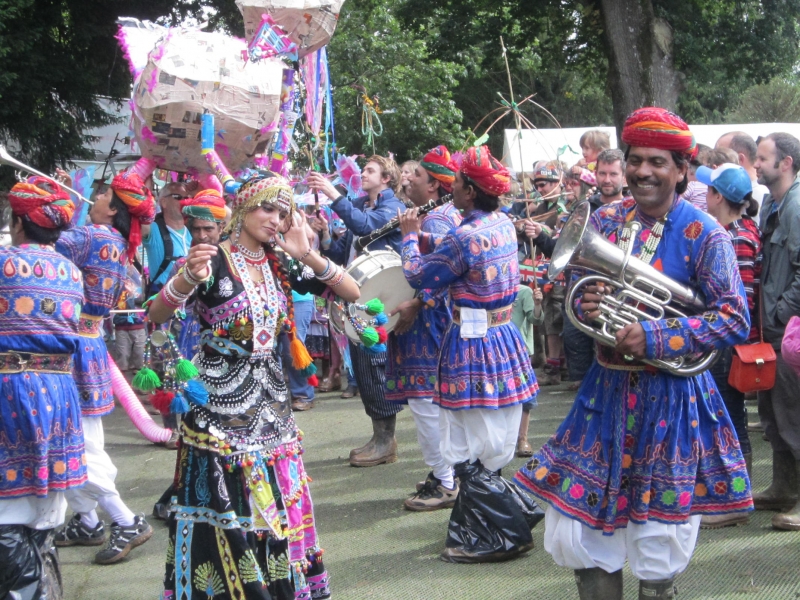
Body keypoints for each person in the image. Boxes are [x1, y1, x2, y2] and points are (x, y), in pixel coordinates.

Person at [515, 107, 752, 599]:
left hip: (670, 398)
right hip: (604, 393)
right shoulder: (603, 217)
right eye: (635, 160)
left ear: (682, 170)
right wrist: (588, 300)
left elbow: (734, 318)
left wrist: (658, 336)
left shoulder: (706, 233)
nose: (643, 171)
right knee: (582, 530)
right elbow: (581, 292)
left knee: (657, 538)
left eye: (658, 162)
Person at [147, 173, 360, 600]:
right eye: (267, 209)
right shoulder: (215, 259)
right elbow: (155, 314)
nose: (276, 220)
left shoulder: (281, 261)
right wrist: (189, 277)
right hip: (218, 411)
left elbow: (352, 292)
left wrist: (310, 255)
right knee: (227, 509)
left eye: (283, 213)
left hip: (272, 407)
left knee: (276, 508)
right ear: (243, 208)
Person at [399, 145, 541, 563]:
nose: (452, 186)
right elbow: (455, 252)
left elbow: (417, 274)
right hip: (502, 339)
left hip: (473, 346)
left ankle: (507, 532)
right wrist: (427, 236)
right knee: (481, 444)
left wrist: (409, 238)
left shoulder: (464, 236)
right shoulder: (501, 223)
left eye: (457, 182)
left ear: (470, 193)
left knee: (468, 442)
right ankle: (482, 527)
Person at [54, 171, 157, 565]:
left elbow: (41, 240)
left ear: (112, 210)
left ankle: (124, 519)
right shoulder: (112, 240)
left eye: (100, 195)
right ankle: (86, 519)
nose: (93, 199)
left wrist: (58, 200)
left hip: (73, 347)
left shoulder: (94, 235)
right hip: (90, 343)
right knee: (79, 436)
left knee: (75, 441)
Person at [0, 178, 85, 599]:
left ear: (18, 221)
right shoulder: (70, 270)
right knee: (44, 513)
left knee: (6, 510)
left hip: (11, 392)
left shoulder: (3, 264)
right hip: (58, 393)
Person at [308, 157, 407, 467]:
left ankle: (385, 440)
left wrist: (332, 194)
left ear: (386, 178)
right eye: (363, 170)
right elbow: (340, 253)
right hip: (360, 293)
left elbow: (366, 227)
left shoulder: (392, 207)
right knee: (364, 367)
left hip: (379, 296)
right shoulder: (362, 204)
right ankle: (380, 437)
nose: (363, 174)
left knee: (374, 365)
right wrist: (325, 236)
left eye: (370, 171)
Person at [386, 146, 462, 511]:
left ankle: (446, 481)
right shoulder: (432, 216)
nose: (407, 177)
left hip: (431, 324)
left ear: (433, 185)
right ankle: (445, 472)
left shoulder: (436, 222)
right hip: (430, 323)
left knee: (426, 403)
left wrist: (417, 303)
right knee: (433, 404)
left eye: (415, 174)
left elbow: (443, 276)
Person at [150, 187, 227, 522]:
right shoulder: (182, 266)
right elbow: (162, 312)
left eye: (208, 229)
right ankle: (185, 492)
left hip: (225, 360)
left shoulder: (233, 264)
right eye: (195, 229)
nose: (202, 235)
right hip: (187, 357)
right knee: (192, 429)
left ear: (221, 229)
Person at [698, 163, 761, 528]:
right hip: (730, 341)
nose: (704, 194)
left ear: (718, 197)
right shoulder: (739, 229)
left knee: (730, 418)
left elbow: (740, 300)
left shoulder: (734, 237)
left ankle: (738, 500)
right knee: (729, 416)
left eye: (709, 189)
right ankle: (738, 495)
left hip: (729, 342)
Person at [752, 132, 800, 531]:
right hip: (774, 327)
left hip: (789, 329)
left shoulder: (798, 206)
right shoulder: (774, 202)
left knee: (795, 413)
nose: (756, 163)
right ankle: (784, 487)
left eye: (763, 157)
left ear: (785, 163)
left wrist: (783, 313)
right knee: (774, 412)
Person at [142, 182, 193, 296]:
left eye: (186, 197)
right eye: (177, 197)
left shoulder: (196, 230)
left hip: (190, 301)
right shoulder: (153, 229)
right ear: (163, 202)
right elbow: (135, 222)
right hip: (163, 301)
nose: (184, 201)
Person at [511, 283, 544, 457]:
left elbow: (536, 320)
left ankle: (522, 438)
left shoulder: (524, 291)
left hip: (520, 351)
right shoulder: (491, 288)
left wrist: (537, 304)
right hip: (495, 349)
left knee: (525, 397)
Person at [716, 131, 770, 211]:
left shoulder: (759, 194)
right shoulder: (733, 191)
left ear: (740, 159)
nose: (714, 163)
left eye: (719, 156)